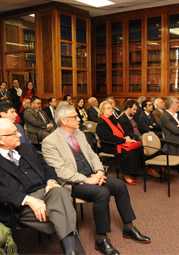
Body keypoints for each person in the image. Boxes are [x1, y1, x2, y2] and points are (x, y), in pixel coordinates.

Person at [42, 104, 150, 255]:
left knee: (119, 186)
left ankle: (129, 227)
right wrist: (85, 180)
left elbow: (92, 155)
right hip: (72, 182)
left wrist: (99, 171)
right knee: (102, 193)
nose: (79, 119)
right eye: (75, 117)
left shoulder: (78, 133)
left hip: (92, 175)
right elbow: (59, 171)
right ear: (64, 121)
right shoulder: (50, 141)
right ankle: (101, 239)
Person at [0, 118, 83, 255]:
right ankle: (72, 251)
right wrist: (27, 199)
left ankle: (70, 252)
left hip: (47, 191)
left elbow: (47, 167)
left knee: (60, 191)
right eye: (14, 133)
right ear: (1, 139)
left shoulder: (26, 148)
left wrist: (51, 181)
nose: (20, 135)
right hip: (20, 204)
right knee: (64, 213)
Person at [96, 101, 149, 184]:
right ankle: (126, 174)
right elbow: (109, 138)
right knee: (128, 152)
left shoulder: (113, 119)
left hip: (120, 141)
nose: (111, 110)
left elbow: (124, 130)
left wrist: (127, 137)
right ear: (102, 110)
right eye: (108, 108)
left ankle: (135, 172)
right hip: (109, 145)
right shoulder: (101, 123)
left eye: (112, 108)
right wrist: (124, 140)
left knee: (138, 148)